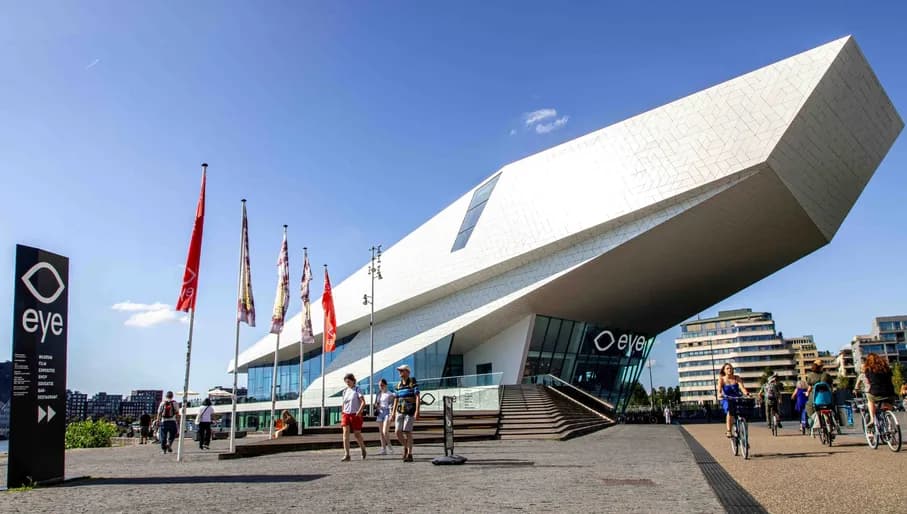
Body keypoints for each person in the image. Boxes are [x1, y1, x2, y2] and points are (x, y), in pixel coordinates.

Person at [391, 364, 420, 462]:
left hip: (410, 411)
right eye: (399, 371)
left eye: (402, 370)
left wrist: (417, 410)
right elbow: (396, 399)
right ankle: (406, 447)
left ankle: (410, 454)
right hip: (400, 410)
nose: (400, 372)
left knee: (407, 431)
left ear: (407, 372)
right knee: (397, 431)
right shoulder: (398, 385)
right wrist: (393, 412)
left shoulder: (413, 382)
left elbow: (417, 397)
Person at [862, 353, 896, 430]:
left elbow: (868, 382)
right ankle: (889, 419)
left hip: (876, 392)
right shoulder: (886, 368)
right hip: (890, 392)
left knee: (869, 399)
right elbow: (891, 379)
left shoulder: (868, 369)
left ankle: (872, 419)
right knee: (888, 402)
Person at [717, 362, 749, 438]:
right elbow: (719, 389)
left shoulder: (736, 378)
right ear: (724, 370)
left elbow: (742, 388)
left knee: (743, 411)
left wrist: (746, 393)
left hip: (737, 397)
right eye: (727, 368)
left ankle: (744, 434)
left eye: (731, 368)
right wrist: (719, 394)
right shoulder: (722, 379)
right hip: (727, 398)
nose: (729, 370)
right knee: (730, 412)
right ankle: (729, 431)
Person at [340, 373, 367, 461]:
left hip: (355, 414)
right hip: (346, 414)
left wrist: (359, 411)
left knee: (357, 434)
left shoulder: (357, 389)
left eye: (349, 381)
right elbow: (343, 403)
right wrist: (342, 412)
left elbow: (363, 402)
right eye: (346, 382)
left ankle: (363, 448)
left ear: (353, 381)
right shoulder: (345, 391)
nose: (347, 383)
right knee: (345, 434)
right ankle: (347, 454)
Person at [374, 378, 396, 455]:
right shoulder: (379, 394)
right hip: (380, 413)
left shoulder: (390, 394)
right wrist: (376, 405)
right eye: (379, 385)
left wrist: (391, 414)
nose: (380, 387)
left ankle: (390, 447)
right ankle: (383, 449)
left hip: (387, 412)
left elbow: (392, 405)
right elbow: (376, 403)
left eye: (382, 385)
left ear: (386, 385)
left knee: (384, 431)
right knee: (381, 433)